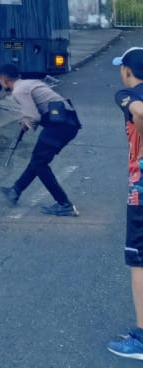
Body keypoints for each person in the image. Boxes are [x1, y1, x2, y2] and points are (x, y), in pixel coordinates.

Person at [0, 63, 81, 216]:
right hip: (67, 122)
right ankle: (15, 191)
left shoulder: (18, 91)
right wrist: (26, 120)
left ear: (4, 79)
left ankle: (64, 204)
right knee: (38, 160)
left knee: (39, 163)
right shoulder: (30, 82)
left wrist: (26, 123)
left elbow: (33, 116)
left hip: (59, 126)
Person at [108, 48, 143, 360]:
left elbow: (140, 112)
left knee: (139, 261)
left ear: (128, 70)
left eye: (122, 67)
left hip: (141, 193)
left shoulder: (127, 93)